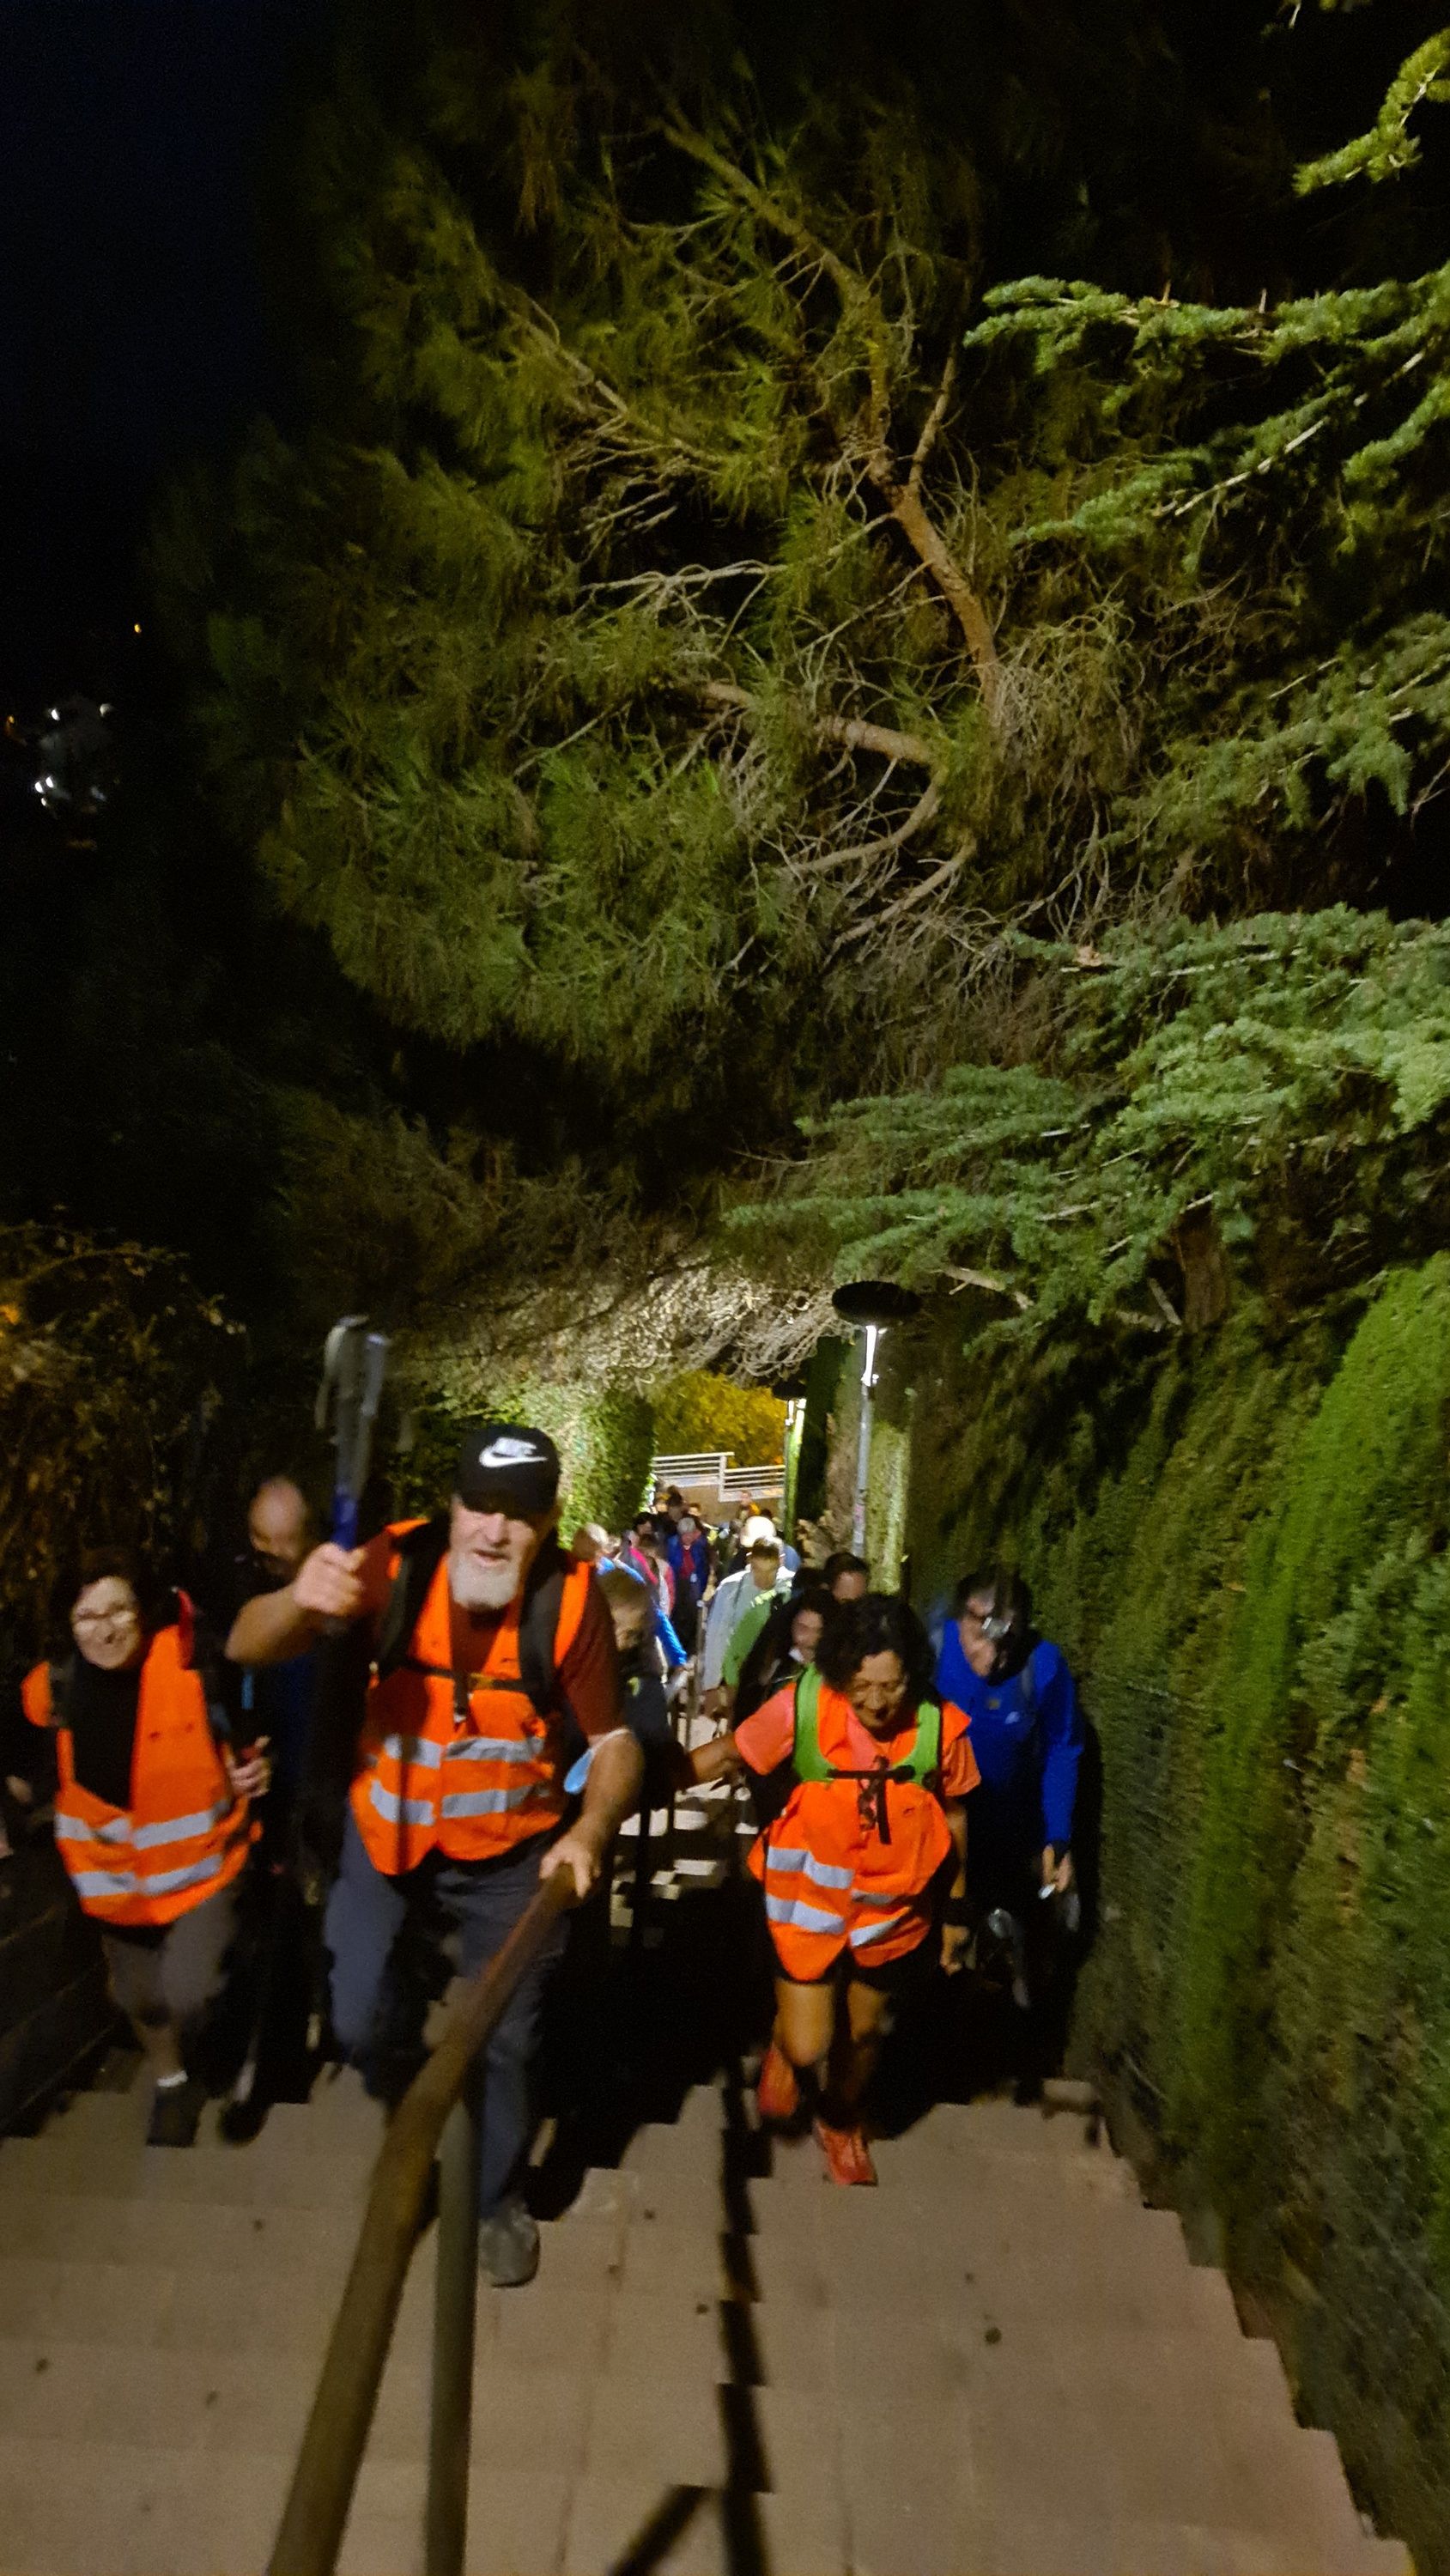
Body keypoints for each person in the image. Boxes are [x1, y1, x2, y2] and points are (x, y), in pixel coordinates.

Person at [227, 1422, 642, 2287]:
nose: (494, 1530)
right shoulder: (395, 1565)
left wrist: (589, 1830)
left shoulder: (571, 1603)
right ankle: (421, 2097)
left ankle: (495, 2198)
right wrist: (301, 1597)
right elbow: (245, 1645)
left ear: (549, 1522)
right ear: (450, 1508)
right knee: (353, 2021)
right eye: (478, 1506)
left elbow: (614, 1742)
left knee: (507, 2042)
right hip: (386, 1843)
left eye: (518, 1514)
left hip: (512, 1859)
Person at [697, 1593, 977, 2184]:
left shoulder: (937, 1724)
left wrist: (956, 1910)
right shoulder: (803, 1704)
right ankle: (785, 2047)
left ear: (912, 1674)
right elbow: (729, 1753)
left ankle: (840, 2117)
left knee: (865, 2031)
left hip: (892, 1908)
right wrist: (641, 1780)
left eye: (892, 1686)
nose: (877, 1703)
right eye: (862, 1686)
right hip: (810, 1900)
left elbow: (954, 1815)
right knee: (808, 2045)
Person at [18, 1552, 269, 2146]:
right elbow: (28, 1763)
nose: (104, 1630)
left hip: (202, 1869)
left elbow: (252, 1727)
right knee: (137, 1997)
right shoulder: (51, 1689)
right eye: (86, 1617)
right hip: (114, 1883)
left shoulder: (194, 1663)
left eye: (118, 1611)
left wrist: (255, 1766)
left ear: (144, 1610)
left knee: (188, 1988)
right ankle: (172, 2085)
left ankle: (239, 2016)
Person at [934, 1568, 1083, 2005]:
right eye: (979, 1638)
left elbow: (1062, 1747)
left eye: (1007, 1643)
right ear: (961, 1618)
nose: (993, 1657)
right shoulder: (931, 1651)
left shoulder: (1043, 1667)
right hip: (939, 1829)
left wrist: (1058, 1836)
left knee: (1012, 1938)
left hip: (1011, 1829)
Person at [701, 1533, 792, 1716]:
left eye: (771, 1570)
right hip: (738, 1677)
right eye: (757, 1569)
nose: (764, 1579)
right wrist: (711, 1685)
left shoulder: (791, 1586)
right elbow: (717, 1636)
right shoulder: (731, 1588)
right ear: (749, 1560)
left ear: (781, 1562)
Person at [731, 1587, 829, 1728]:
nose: (809, 1639)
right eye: (803, 1629)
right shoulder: (776, 1669)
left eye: (818, 1631)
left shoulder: (832, 1675)